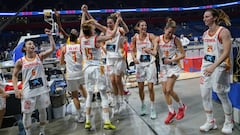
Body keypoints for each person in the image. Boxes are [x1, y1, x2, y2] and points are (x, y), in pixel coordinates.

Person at [80, 5, 120, 130]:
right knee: (103, 94)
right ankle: (107, 120)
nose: (95, 29)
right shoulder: (96, 39)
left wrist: (84, 13)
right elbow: (112, 35)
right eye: (93, 28)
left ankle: (87, 121)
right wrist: (118, 21)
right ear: (91, 31)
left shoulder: (81, 39)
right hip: (98, 67)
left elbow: (82, 25)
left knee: (89, 95)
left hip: (87, 68)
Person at [84, 8, 129, 114]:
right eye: (107, 23)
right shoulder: (106, 30)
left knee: (118, 80)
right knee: (112, 81)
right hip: (110, 58)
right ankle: (117, 101)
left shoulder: (119, 30)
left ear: (114, 22)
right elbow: (94, 22)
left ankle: (122, 101)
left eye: (110, 23)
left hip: (118, 57)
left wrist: (120, 20)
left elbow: (126, 30)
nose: (108, 24)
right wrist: (86, 13)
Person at [12, 28, 56, 135]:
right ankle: (28, 133)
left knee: (42, 110)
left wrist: (50, 36)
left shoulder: (39, 57)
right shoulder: (20, 61)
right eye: (29, 44)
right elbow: (14, 75)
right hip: (28, 90)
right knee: (27, 113)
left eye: (33, 44)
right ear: (24, 48)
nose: (32, 45)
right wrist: (16, 90)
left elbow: (53, 48)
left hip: (41, 89)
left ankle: (42, 131)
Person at [199, 8, 233, 134]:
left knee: (221, 94)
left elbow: (226, 52)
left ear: (214, 18)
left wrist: (213, 66)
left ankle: (229, 121)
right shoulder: (205, 34)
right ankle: (210, 121)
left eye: (207, 16)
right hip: (206, 66)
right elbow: (207, 52)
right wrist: (206, 66)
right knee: (204, 94)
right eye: (204, 17)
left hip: (220, 66)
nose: (204, 19)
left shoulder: (223, 32)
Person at [152, 18, 186, 124]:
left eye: (172, 32)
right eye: (169, 32)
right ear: (165, 29)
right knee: (165, 91)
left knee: (169, 90)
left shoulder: (175, 40)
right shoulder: (158, 39)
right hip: (163, 68)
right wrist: (149, 51)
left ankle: (182, 106)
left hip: (173, 67)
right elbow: (154, 52)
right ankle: (171, 112)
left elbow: (183, 54)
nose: (170, 34)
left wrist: (172, 60)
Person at [59, 23, 86, 123]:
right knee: (82, 88)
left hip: (71, 74)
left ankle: (80, 116)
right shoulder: (80, 46)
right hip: (80, 72)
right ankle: (88, 108)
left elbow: (61, 62)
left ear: (69, 38)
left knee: (74, 96)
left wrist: (68, 61)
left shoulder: (64, 48)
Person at [131, 20, 157, 119]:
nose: (144, 27)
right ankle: (142, 105)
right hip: (140, 65)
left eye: (145, 25)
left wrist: (151, 51)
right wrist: (134, 58)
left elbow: (155, 49)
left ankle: (152, 107)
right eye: (142, 25)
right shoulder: (135, 38)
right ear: (138, 27)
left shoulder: (151, 36)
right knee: (141, 87)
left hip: (150, 64)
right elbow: (132, 50)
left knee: (150, 87)